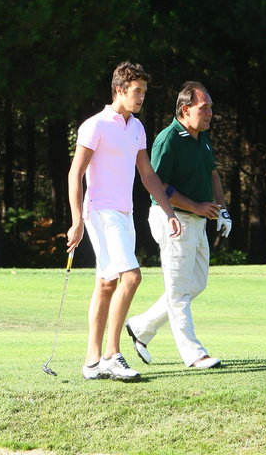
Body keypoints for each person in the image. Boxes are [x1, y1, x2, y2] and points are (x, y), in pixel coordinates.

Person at [66, 61, 182, 381]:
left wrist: (169, 211)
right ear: (120, 89)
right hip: (101, 213)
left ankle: (92, 362)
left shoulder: (137, 128)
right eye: (137, 91)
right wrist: (76, 221)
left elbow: (147, 174)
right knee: (131, 277)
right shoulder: (95, 125)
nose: (142, 97)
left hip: (125, 214)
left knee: (106, 284)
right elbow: (75, 174)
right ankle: (111, 355)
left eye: (144, 91)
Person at [125, 81, 231, 370]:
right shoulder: (168, 139)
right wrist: (195, 206)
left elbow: (212, 173)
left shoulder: (202, 137)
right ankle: (194, 353)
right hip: (172, 218)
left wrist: (222, 209)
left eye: (210, 107)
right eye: (204, 108)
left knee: (197, 283)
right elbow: (158, 186)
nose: (210, 113)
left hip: (197, 220)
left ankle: (142, 326)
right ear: (185, 110)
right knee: (179, 290)